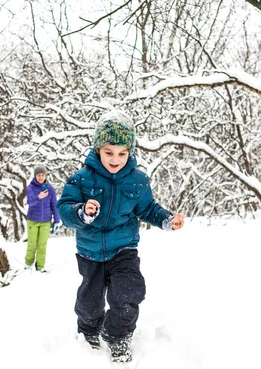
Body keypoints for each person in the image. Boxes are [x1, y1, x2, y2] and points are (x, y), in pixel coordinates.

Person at [57, 110, 184, 362]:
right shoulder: (81, 179)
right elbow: (65, 211)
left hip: (124, 249)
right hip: (90, 252)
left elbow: (148, 209)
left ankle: (118, 336)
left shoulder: (137, 180)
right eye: (109, 152)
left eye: (122, 153)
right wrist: (82, 212)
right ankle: (89, 331)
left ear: (130, 152)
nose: (116, 159)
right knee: (90, 302)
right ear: (97, 150)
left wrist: (167, 219)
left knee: (129, 293)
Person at [24, 165, 60, 273]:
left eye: (43, 175)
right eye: (39, 175)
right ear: (35, 176)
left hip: (46, 221)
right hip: (33, 220)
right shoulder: (30, 188)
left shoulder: (50, 189)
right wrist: (38, 197)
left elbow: (54, 205)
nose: (41, 177)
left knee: (42, 245)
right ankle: (28, 264)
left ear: (45, 176)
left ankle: (40, 266)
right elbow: (30, 202)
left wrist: (57, 220)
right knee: (32, 244)